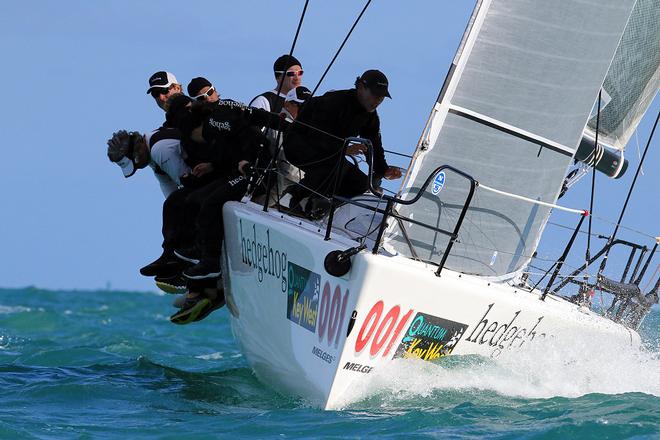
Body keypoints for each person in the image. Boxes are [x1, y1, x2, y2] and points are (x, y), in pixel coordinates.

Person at [283, 69, 402, 215]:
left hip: (329, 152)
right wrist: (344, 149)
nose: (377, 101)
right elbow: (316, 135)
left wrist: (384, 170)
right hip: (298, 144)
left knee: (361, 185)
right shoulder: (334, 102)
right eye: (374, 95)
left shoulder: (370, 116)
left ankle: (326, 211)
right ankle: (296, 198)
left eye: (381, 97)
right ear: (360, 87)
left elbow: (375, 146)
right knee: (333, 166)